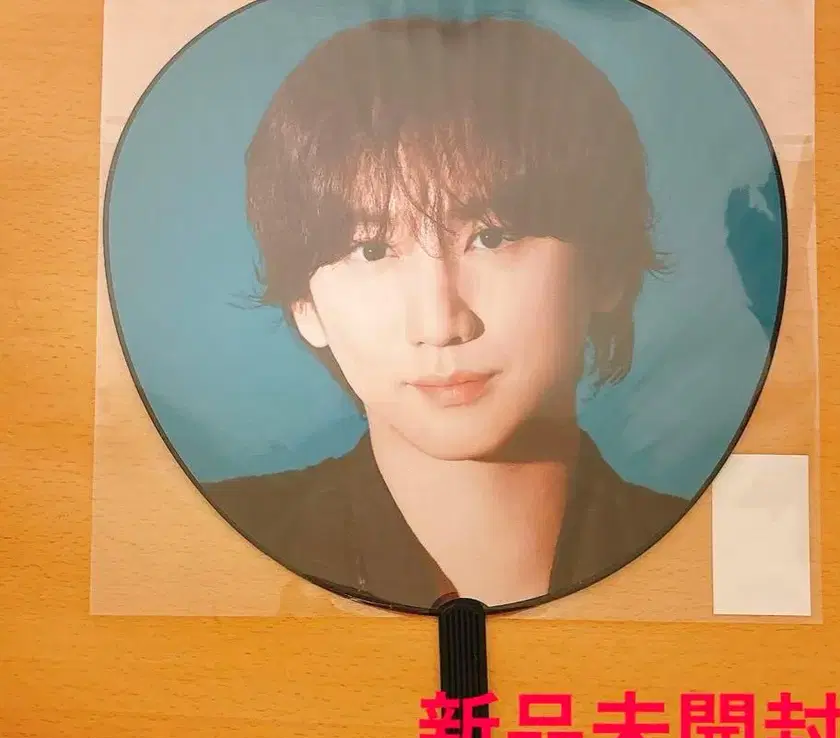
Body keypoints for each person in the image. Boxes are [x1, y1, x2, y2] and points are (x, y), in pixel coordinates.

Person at [203, 16, 690, 613]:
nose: (441, 323)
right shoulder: (201, 550)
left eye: (493, 236)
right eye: (372, 250)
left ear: (606, 266)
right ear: (305, 304)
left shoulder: (705, 557)